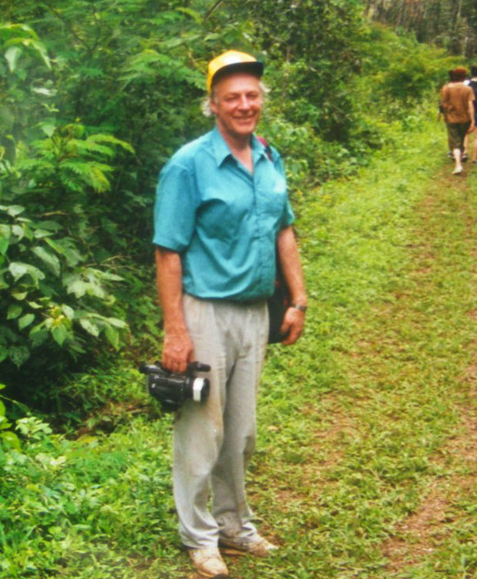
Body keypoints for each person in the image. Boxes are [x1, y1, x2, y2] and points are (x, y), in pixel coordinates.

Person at [153, 50, 307, 579]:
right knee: (202, 428)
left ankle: (234, 524)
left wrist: (298, 299)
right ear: (213, 105)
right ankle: (199, 537)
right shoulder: (187, 165)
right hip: (204, 312)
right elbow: (168, 252)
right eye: (232, 97)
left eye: (252, 95)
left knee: (240, 429)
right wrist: (176, 331)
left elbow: (283, 228)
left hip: (253, 312)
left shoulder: (269, 156)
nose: (244, 104)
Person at [439, 66, 475, 175]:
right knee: (461, 140)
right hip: (465, 119)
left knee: (454, 142)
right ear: (464, 77)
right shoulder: (468, 89)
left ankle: (458, 164)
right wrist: (473, 120)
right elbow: (470, 105)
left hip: (451, 119)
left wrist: (443, 112)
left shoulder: (446, 88)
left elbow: (443, 103)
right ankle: (459, 160)